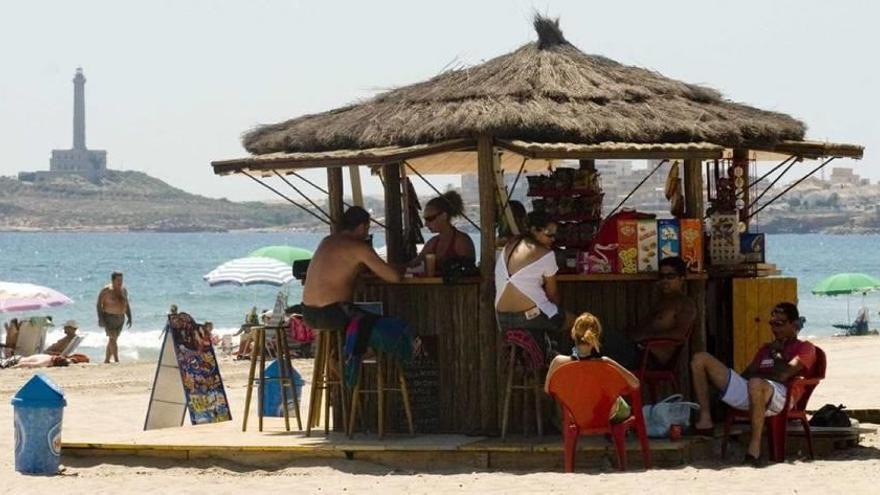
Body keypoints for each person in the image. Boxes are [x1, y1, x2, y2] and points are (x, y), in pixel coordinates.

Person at [690, 302, 816, 466]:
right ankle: (705, 419)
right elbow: (747, 374)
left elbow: (784, 374)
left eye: (779, 324)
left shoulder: (805, 348)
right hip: (754, 389)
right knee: (700, 359)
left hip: (782, 396)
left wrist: (776, 355)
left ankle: (754, 447)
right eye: (772, 324)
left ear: (794, 325)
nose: (774, 329)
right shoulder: (766, 349)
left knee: (756, 383)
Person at [301, 206, 402, 332]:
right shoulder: (359, 247)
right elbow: (394, 277)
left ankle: (353, 350)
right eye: (367, 229)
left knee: (364, 317)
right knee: (390, 327)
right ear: (361, 227)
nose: (366, 233)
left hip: (308, 313)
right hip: (334, 313)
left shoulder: (326, 241)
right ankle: (360, 351)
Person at [496, 211, 572, 356]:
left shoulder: (508, 246)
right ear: (534, 230)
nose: (553, 239)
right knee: (578, 324)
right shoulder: (546, 254)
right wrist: (558, 314)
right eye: (549, 234)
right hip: (531, 316)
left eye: (555, 235)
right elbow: (553, 294)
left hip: (502, 318)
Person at [545, 312, 639, 423]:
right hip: (606, 414)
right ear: (596, 336)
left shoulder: (558, 362)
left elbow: (548, 389)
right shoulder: (606, 363)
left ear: (573, 334)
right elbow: (635, 384)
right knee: (620, 404)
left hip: (575, 415)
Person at [624, 256, 696, 365]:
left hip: (651, 356)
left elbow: (679, 334)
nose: (665, 281)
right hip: (637, 348)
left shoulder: (685, 304)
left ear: (681, 279)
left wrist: (647, 337)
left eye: (670, 276)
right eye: (662, 277)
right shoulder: (662, 302)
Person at [410, 190, 475, 272]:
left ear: (444, 216)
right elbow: (413, 264)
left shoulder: (461, 241)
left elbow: (467, 272)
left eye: (430, 219)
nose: (426, 224)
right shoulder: (433, 242)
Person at [96, 271, 132, 363]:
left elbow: (126, 304)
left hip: (120, 318)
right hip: (109, 317)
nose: (120, 282)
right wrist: (100, 319)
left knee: (113, 339)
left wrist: (129, 316)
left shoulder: (123, 290)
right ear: (113, 280)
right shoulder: (106, 291)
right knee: (112, 338)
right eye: (118, 280)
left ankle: (107, 360)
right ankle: (116, 360)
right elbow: (99, 305)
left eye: (121, 280)